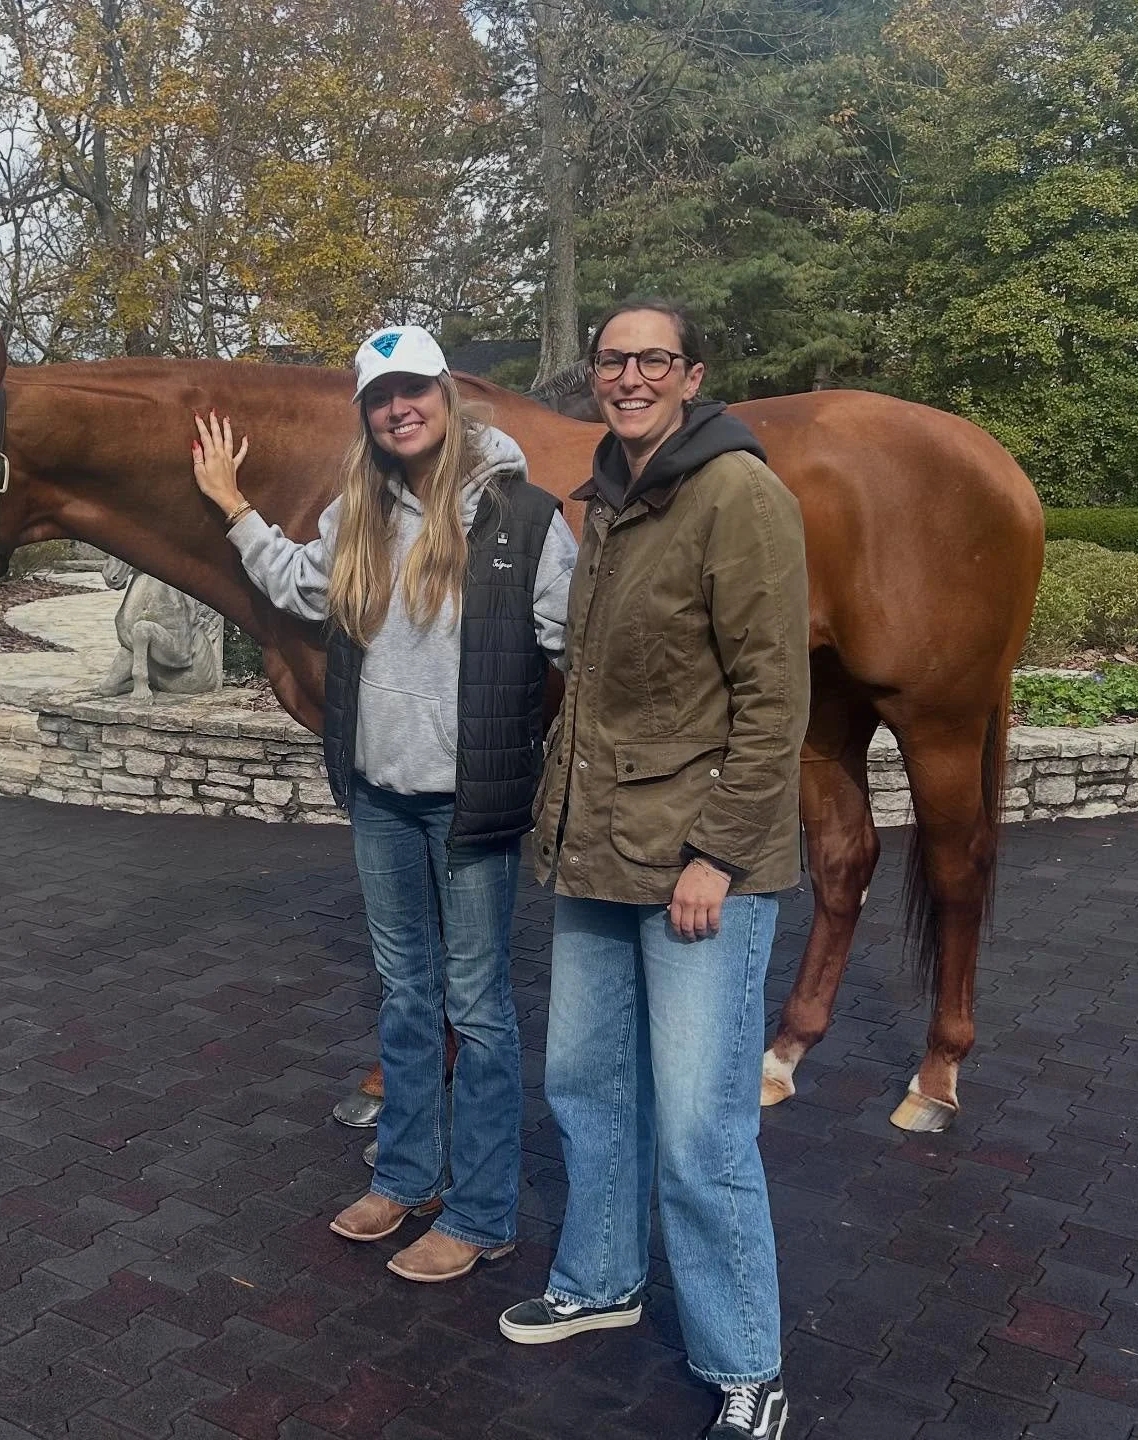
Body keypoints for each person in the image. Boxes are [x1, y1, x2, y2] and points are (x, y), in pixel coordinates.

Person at [189, 325, 576, 1283]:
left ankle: (483, 1212)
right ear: (367, 412)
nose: (400, 408)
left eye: (415, 390)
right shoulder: (355, 512)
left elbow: (577, 643)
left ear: (446, 394)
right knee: (407, 997)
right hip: (379, 798)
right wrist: (234, 508)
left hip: (471, 805)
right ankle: (407, 1176)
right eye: (381, 396)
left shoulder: (522, 517)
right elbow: (300, 589)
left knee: (478, 1010)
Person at [498, 299, 809, 1440]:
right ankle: (602, 1280)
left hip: (698, 868)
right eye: (614, 360)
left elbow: (776, 698)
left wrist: (718, 854)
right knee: (585, 1085)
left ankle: (748, 1364)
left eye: (652, 361)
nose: (629, 376)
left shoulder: (738, 495)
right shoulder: (610, 498)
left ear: (692, 376)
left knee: (699, 1128)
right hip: (596, 851)